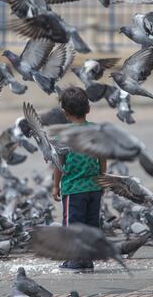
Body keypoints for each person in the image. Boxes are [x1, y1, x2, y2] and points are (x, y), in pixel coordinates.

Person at [52, 86, 106, 271]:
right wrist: (102, 178)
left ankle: (75, 261)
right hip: (94, 187)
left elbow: (58, 164)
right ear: (88, 109)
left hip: (74, 189)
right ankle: (87, 260)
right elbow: (102, 156)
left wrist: (55, 186)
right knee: (91, 225)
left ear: (65, 113)